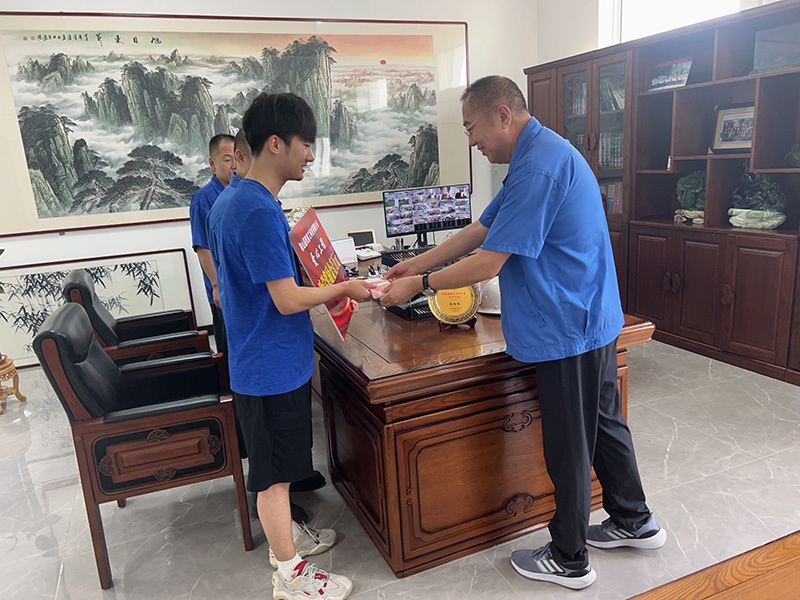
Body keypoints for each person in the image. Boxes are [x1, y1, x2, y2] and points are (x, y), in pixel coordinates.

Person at [380, 75, 665, 591]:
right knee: (602, 424)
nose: (472, 140)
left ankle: (570, 558)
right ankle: (633, 519)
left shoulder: (537, 167)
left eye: (471, 128)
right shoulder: (536, 153)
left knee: (569, 442)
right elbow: (481, 229)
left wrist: (418, 286)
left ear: (502, 115)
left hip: (569, 324)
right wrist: (414, 264)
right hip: (590, 316)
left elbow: (489, 261)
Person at [207, 92, 373, 600]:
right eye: (306, 144)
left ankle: (290, 541)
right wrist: (344, 287)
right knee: (274, 478)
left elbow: (255, 283)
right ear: (276, 143)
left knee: (278, 467)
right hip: (269, 366)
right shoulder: (256, 210)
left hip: (264, 358)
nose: (310, 155)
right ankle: (290, 576)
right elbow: (284, 299)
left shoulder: (235, 199)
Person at [190, 134, 236, 362]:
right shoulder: (204, 199)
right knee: (229, 349)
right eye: (227, 160)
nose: (234, 165)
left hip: (240, 286)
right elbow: (203, 247)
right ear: (212, 163)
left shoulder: (240, 193)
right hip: (223, 289)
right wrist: (217, 286)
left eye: (237, 157)